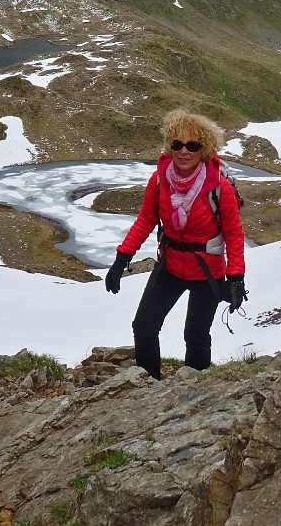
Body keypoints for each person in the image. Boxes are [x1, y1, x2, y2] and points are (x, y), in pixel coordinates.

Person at [105, 109, 246, 379]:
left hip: (207, 271)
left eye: (192, 145)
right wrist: (121, 259)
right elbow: (145, 221)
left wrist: (236, 278)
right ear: (169, 146)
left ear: (205, 149)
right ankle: (147, 387)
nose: (184, 151)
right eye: (177, 144)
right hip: (170, 265)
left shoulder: (219, 187)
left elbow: (234, 234)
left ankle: (194, 393)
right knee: (144, 326)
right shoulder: (159, 180)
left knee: (195, 336)